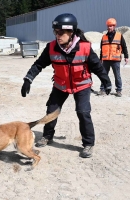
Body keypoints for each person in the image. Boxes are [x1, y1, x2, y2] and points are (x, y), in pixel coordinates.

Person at [20, 13, 112, 158]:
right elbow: (39, 64)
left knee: (83, 112)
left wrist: (106, 81)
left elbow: (97, 67)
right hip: (60, 85)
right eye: (56, 32)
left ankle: (88, 144)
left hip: (81, 85)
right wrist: (28, 79)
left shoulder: (85, 47)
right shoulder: (51, 47)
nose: (58, 35)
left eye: (61, 32)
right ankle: (47, 136)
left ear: (72, 32)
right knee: (51, 110)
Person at [98, 18, 129, 97]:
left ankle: (118, 90)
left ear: (114, 26)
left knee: (117, 76)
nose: (110, 27)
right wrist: (100, 58)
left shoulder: (119, 36)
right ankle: (102, 89)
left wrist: (126, 56)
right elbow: (102, 49)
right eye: (108, 26)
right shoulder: (104, 37)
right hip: (106, 60)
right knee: (104, 75)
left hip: (115, 60)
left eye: (111, 26)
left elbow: (124, 47)